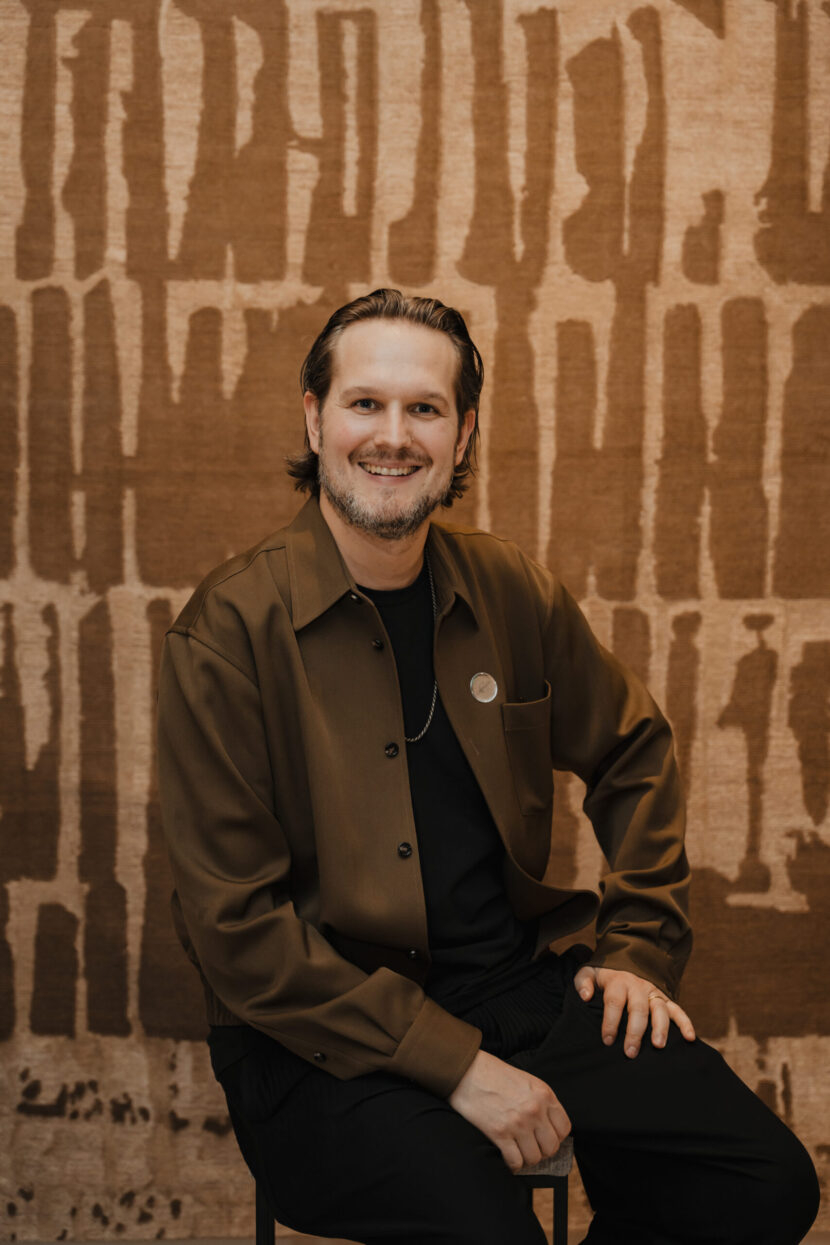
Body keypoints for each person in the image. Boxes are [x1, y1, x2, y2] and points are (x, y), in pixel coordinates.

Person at [156, 289, 819, 1244]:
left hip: (514, 986)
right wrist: (459, 1066)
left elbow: (633, 748)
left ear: (463, 434)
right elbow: (237, 933)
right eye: (364, 404)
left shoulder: (509, 588)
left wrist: (639, 946)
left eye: (424, 408)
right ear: (315, 417)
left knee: (762, 1182)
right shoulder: (225, 634)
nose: (393, 436)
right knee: (485, 1224)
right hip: (314, 1038)